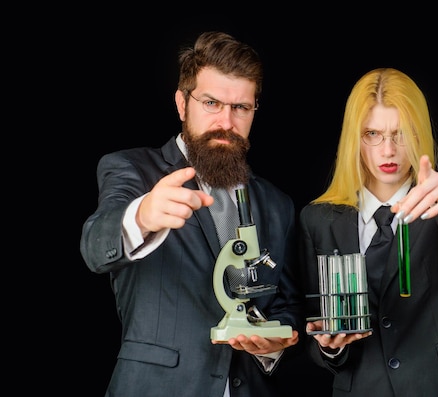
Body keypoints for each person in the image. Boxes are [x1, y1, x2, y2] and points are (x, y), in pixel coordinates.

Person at [80, 31, 303, 397]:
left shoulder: (278, 204)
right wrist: (142, 216)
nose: (226, 123)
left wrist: (275, 344)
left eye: (241, 108)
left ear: (254, 110)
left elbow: (287, 304)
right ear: (182, 104)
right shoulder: (132, 170)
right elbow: (94, 246)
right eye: (212, 103)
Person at [299, 67, 438, 396]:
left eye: (401, 133)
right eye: (373, 134)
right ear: (354, 140)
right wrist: (330, 346)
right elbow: (313, 328)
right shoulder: (317, 220)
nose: (388, 150)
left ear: (419, 134)